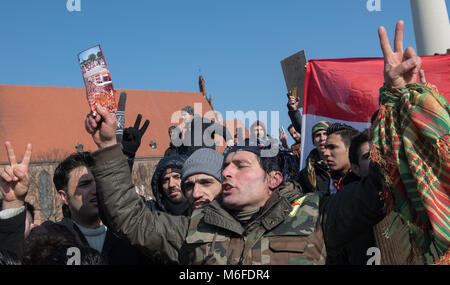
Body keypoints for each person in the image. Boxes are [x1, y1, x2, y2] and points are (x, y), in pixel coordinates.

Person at [84, 108, 385, 264]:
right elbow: (130, 219)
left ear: (273, 179)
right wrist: (109, 147)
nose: (227, 171)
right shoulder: (194, 229)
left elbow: (378, 193)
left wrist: (400, 103)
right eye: (225, 166)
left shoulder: (316, 212)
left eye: (240, 166)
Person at [323, 123, 360, 194]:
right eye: (326, 148)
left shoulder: (368, 184)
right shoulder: (329, 184)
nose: (325, 153)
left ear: (351, 148)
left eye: (332, 147)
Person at [297, 121, 332, 195]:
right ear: (313, 142)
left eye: (325, 134)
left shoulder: (344, 166)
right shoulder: (305, 174)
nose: (322, 138)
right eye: (317, 135)